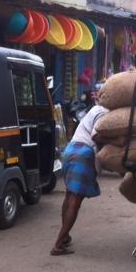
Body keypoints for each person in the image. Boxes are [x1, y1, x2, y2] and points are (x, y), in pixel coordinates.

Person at [51, 100, 108, 255]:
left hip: (71, 150)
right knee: (75, 202)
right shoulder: (104, 113)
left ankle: (65, 237)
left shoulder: (95, 109)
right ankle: (58, 244)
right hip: (83, 154)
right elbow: (96, 136)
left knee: (69, 196)